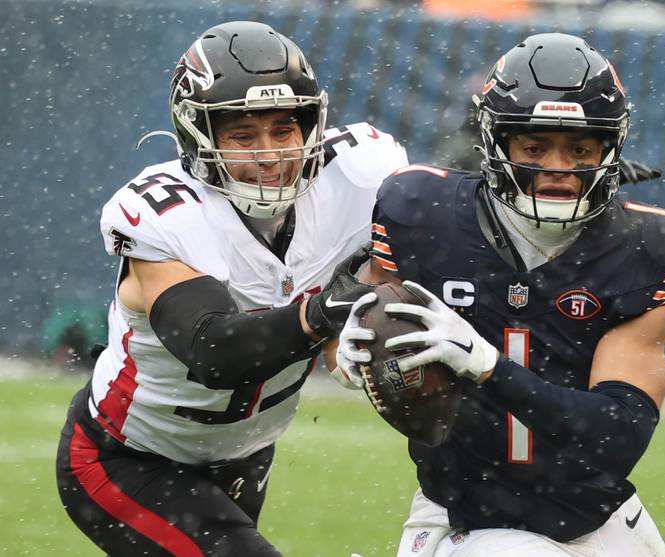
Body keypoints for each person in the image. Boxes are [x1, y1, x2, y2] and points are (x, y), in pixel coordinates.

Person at [335, 33, 665, 556]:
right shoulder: (422, 212)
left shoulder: (647, 248)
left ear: (609, 149)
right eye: (534, 146)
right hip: (465, 516)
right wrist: (355, 350)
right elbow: (363, 325)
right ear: (495, 141)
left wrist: (487, 364)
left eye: (580, 149)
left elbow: (617, 436)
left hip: (595, 514)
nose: (557, 167)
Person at [55, 21, 408, 556]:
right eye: (243, 135)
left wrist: (366, 331)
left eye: (284, 130)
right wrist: (323, 313)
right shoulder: (165, 215)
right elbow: (214, 349)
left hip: (245, 453)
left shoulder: (361, 177)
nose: (270, 154)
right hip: (130, 456)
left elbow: (408, 256)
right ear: (199, 135)